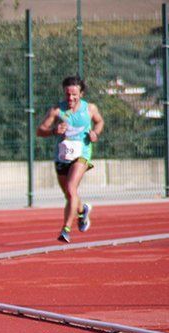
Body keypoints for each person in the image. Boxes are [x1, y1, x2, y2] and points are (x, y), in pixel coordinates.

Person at [36, 75, 104, 243]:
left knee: (71, 187)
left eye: (74, 94)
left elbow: (99, 121)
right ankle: (82, 211)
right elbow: (40, 130)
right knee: (69, 194)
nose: (71, 98)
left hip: (82, 154)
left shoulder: (90, 109)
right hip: (62, 156)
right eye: (68, 94)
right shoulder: (57, 110)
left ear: (81, 93)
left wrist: (95, 133)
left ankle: (66, 229)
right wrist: (53, 131)